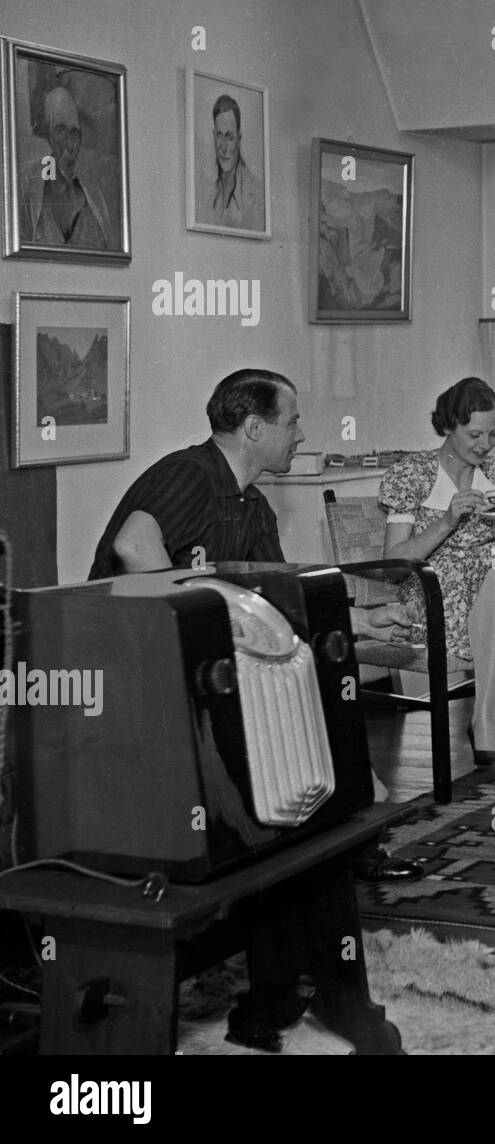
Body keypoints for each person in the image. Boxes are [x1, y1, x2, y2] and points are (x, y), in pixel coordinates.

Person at [89, 367, 419, 880]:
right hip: (131, 660)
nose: (301, 435)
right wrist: (192, 630)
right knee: (310, 691)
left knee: (317, 679)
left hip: (211, 661)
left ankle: (342, 833)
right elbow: (132, 546)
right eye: (293, 422)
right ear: (254, 428)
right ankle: (344, 835)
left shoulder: (254, 507)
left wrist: (366, 622)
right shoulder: (190, 475)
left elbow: (282, 605)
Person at [380, 378, 495, 814]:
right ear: (449, 426)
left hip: (494, 578)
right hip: (433, 588)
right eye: (475, 434)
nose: (485, 444)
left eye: (493, 434)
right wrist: (447, 521)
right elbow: (392, 562)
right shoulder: (412, 473)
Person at [17, 85, 117, 249]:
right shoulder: (30, 185)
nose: (69, 142)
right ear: (49, 134)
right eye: (60, 130)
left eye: (74, 132)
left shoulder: (93, 193)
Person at [209, 93, 265, 231]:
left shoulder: (256, 194)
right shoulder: (208, 191)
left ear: (239, 139)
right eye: (219, 136)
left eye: (229, 137)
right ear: (213, 136)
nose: (223, 147)